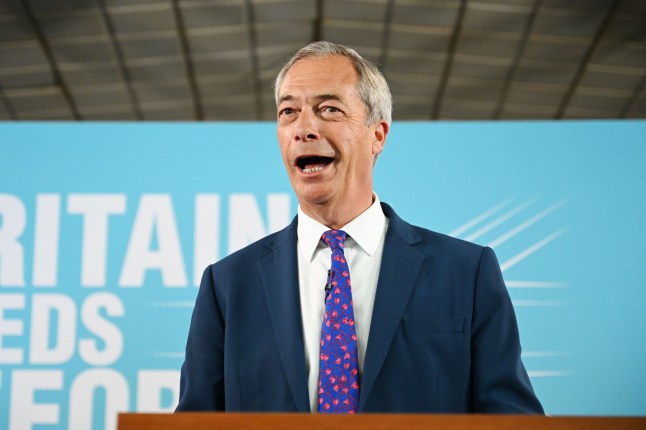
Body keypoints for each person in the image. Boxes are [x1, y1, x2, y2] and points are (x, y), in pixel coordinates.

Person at [176, 41, 544, 414]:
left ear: (377, 135)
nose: (303, 128)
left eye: (329, 109)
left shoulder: (466, 272)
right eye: (288, 111)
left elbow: (513, 419)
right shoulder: (227, 286)